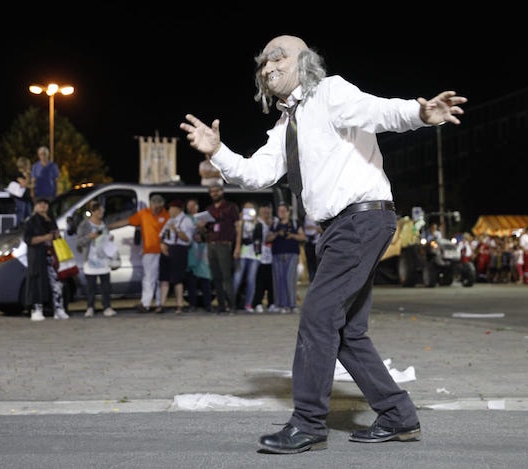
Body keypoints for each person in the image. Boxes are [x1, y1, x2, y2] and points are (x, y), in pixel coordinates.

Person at [180, 35, 466, 454]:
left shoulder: (330, 92)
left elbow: (380, 111)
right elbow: (257, 174)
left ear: (305, 62)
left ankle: (309, 423)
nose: (268, 65)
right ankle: (398, 415)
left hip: (362, 219)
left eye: (279, 56)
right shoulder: (285, 125)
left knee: (317, 315)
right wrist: (218, 151)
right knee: (347, 330)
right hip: (338, 228)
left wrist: (421, 113)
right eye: (263, 62)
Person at [110, 194, 169, 313]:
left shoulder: (166, 215)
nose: (156, 210)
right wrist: (109, 226)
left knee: (158, 279)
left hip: (162, 251)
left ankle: (155, 304)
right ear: (151, 204)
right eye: (154, 207)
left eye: (158, 207)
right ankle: (147, 303)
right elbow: (127, 221)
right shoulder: (143, 213)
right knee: (149, 277)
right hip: (149, 251)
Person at [23, 197, 70, 321]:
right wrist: (45, 237)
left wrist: (56, 236)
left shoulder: (51, 220)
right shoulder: (31, 221)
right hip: (38, 256)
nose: (43, 206)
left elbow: (55, 236)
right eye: (40, 204)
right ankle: (36, 309)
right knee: (37, 283)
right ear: (35, 206)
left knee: (57, 283)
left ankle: (59, 308)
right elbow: (28, 240)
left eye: (45, 204)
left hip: (52, 256)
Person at [203, 185, 240, 315]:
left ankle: (233, 306)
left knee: (226, 277)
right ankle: (221, 306)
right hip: (211, 245)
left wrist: (237, 246)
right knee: (216, 277)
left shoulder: (231, 207)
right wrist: (201, 226)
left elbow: (238, 227)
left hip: (224, 245)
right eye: (212, 192)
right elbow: (205, 230)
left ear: (221, 192)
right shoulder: (209, 209)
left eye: (216, 191)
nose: (214, 193)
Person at [76, 201, 117, 318]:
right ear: (92, 212)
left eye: (102, 211)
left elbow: (106, 237)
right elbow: (79, 241)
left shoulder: (104, 224)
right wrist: (90, 237)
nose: (100, 213)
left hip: (103, 259)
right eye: (98, 211)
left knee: (105, 284)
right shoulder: (85, 225)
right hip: (90, 259)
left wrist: (109, 239)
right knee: (91, 285)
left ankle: (107, 306)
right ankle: (90, 307)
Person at [266, 202, 305, 313]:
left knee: (289, 278)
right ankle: (281, 304)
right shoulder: (275, 224)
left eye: (283, 211)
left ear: (288, 212)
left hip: (292, 254)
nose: (281, 213)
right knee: (278, 279)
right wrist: (278, 233)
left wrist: (292, 235)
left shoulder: (294, 223)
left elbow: (303, 237)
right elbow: (267, 238)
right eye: (279, 211)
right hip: (277, 254)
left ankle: (292, 304)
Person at [158, 199, 194, 314]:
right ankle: (162, 304)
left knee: (177, 279)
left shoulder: (186, 221)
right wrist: (163, 245)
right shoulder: (170, 220)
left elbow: (188, 239)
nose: (169, 211)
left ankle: (179, 305)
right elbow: (163, 235)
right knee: (164, 278)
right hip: (167, 249)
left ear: (177, 209)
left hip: (179, 249)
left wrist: (176, 230)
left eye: (171, 209)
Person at [184, 198, 213, 312]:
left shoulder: (203, 218)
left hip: (203, 255)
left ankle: (208, 304)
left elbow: (208, 234)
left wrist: (202, 228)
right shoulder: (185, 218)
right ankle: (192, 304)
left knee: (205, 280)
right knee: (191, 281)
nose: (191, 208)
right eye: (189, 205)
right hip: (190, 254)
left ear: (197, 206)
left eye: (193, 205)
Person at [232, 201, 260, 312]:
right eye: (246, 209)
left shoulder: (257, 223)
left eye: (251, 209)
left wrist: (255, 221)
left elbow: (259, 236)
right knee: (237, 278)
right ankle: (231, 302)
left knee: (251, 280)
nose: (248, 212)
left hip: (254, 255)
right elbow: (236, 236)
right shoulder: (239, 223)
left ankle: (248, 304)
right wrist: (240, 222)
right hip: (242, 253)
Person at [251, 202, 275, 313]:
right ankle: (258, 303)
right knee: (259, 282)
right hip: (258, 256)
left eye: (267, 209)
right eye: (263, 209)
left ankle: (271, 303)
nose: (266, 211)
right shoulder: (256, 222)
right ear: (259, 210)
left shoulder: (274, 222)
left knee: (271, 282)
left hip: (271, 256)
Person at [9, 156, 34, 226]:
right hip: (20, 198)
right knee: (20, 213)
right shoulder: (18, 174)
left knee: (28, 215)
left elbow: (31, 185)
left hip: (28, 198)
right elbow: (23, 184)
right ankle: (17, 229)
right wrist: (28, 177)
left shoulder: (29, 174)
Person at [302, 213, 321, 284]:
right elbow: (307, 230)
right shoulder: (307, 216)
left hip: (318, 243)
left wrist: (314, 229)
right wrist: (316, 229)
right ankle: (312, 284)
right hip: (309, 244)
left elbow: (321, 229)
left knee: (319, 266)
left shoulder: (321, 214)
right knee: (311, 267)